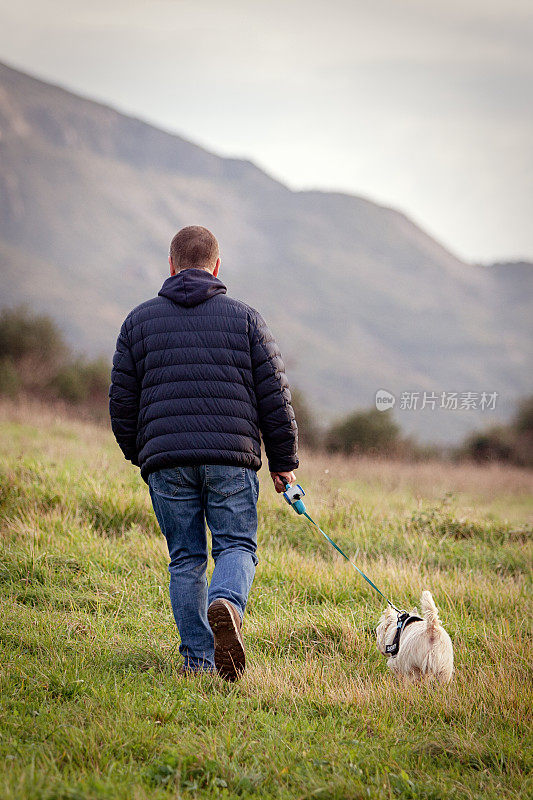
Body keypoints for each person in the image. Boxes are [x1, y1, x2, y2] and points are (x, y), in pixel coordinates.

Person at [109, 225, 298, 680]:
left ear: (171, 265)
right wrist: (284, 465)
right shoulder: (247, 319)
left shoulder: (137, 321)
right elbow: (274, 396)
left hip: (166, 461)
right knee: (235, 544)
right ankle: (227, 603)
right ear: (216, 266)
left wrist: (145, 455)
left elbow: (121, 401)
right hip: (231, 458)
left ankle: (197, 660)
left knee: (186, 559)